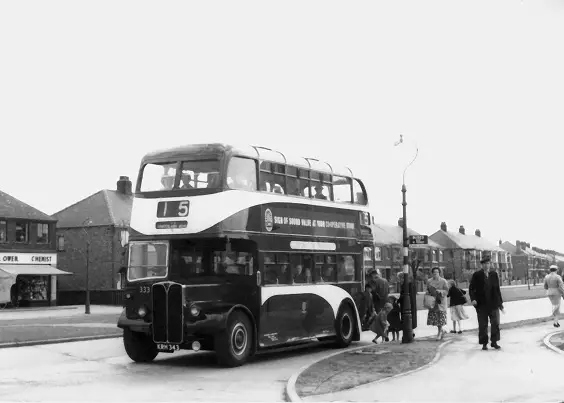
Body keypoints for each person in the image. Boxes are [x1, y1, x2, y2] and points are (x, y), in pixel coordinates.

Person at [469, 253, 504, 350]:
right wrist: (473, 299)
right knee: (483, 325)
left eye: (488, 263)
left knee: (495, 323)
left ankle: (494, 342)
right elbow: (471, 288)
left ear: (490, 264)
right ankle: (484, 343)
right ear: (481, 265)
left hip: (493, 304)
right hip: (481, 305)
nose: (486, 265)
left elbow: (497, 289)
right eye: (484, 264)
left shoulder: (494, 274)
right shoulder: (477, 275)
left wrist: (500, 303)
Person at [426, 267, 449, 341]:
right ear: (432, 273)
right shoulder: (429, 281)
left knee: (440, 318)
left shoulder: (443, 281)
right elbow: (428, 290)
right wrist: (428, 293)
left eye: (437, 272)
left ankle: (439, 333)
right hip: (433, 302)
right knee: (436, 319)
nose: (435, 273)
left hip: (441, 302)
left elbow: (447, 291)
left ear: (439, 273)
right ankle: (441, 331)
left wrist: (440, 291)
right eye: (434, 272)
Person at [397, 271, 418, 338]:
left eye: (400, 278)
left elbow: (404, 295)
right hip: (411, 303)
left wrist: (398, 300)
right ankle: (411, 331)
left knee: (406, 317)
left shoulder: (406, 285)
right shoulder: (411, 284)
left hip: (407, 304)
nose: (399, 280)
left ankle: (409, 333)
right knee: (410, 317)